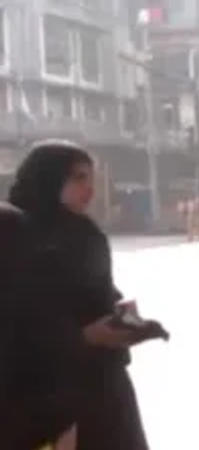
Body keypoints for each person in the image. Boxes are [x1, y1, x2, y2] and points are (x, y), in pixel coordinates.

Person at [8, 141, 151, 450]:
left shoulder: (86, 233)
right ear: (48, 177)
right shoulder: (15, 234)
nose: (90, 188)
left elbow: (98, 290)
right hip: (45, 394)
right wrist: (84, 337)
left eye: (92, 179)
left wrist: (124, 317)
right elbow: (20, 318)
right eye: (79, 178)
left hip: (104, 383)